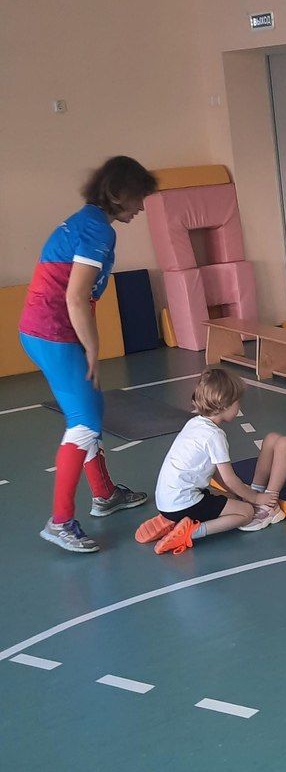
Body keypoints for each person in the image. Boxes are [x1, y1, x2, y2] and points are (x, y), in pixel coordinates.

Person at [19, 156, 157, 553]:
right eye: (138, 198)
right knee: (83, 423)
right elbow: (76, 297)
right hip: (53, 334)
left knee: (90, 409)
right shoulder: (97, 229)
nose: (141, 207)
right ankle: (60, 522)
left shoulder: (87, 221)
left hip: (44, 331)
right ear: (118, 194)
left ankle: (105, 493)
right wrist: (93, 347)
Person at [135, 368, 277, 555]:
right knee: (246, 512)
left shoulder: (194, 423)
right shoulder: (215, 436)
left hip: (165, 502)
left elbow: (215, 471)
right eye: (237, 402)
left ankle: (170, 519)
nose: (239, 407)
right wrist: (255, 498)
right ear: (225, 405)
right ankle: (191, 532)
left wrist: (233, 493)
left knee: (227, 498)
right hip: (184, 504)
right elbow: (229, 479)